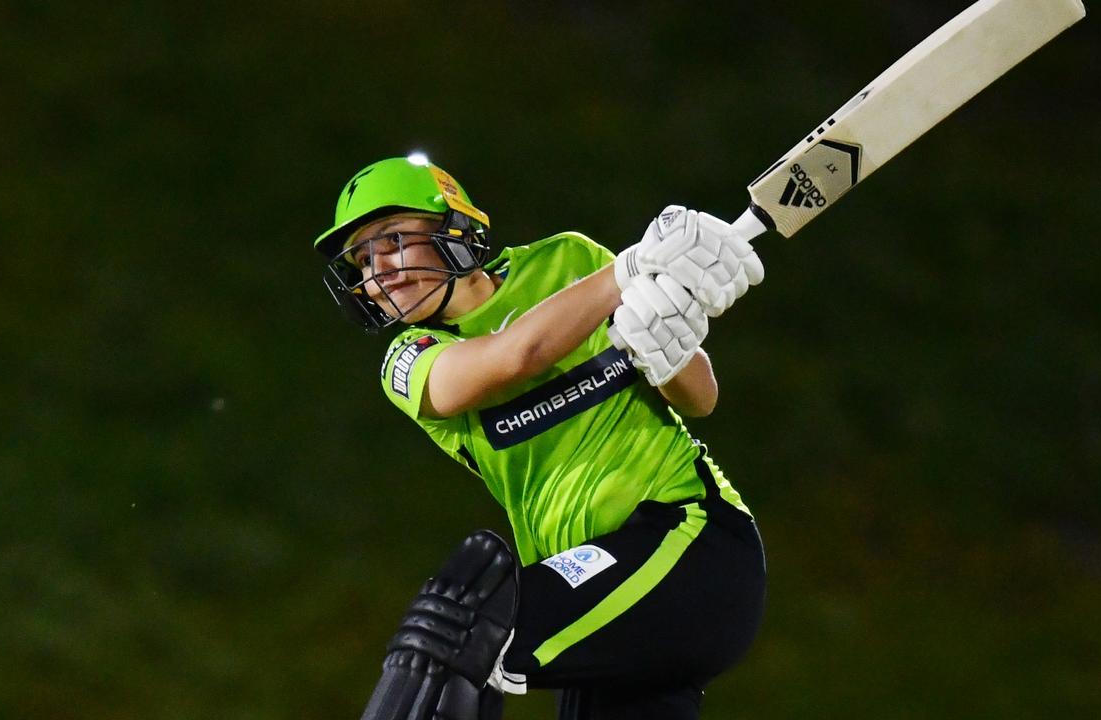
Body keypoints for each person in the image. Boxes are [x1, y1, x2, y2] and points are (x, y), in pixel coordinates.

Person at [313, 154, 767, 720]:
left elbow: (701, 398)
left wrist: (668, 349)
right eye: (363, 258)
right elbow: (516, 355)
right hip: (598, 590)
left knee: (463, 623)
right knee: (466, 627)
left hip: (689, 545)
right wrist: (630, 271)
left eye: (393, 241)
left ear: (454, 229)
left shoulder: (569, 261)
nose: (379, 272)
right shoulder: (408, 359)